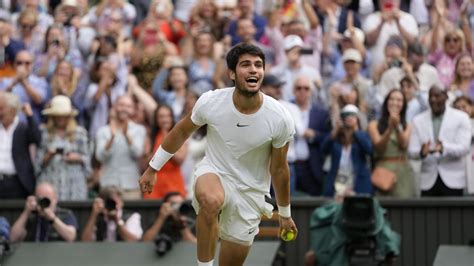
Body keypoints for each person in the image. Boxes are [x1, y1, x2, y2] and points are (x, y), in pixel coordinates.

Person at [139, 43, 297, 266]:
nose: (254, 70)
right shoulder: (211, 102)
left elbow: (279, 169)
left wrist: (285, 214)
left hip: (251, 193)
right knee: (210, 201)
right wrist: (153, 168)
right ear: (232, 73)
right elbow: (180, 132)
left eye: (258, 65)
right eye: (246, 65)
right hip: (215, 172)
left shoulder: (280, 117)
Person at [408, 85, 471, 196]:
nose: (433, 100)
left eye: (437, 96)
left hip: (453, 180)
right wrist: (422, 152)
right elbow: (412, 151)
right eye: (430, 97)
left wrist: (443, 148)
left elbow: (464, 147)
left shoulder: (461, 117)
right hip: (427, 181)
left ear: (446, 97)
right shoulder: (418, 120)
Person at [36, 95, 91, 200]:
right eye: (57, 115)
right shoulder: (43, 133)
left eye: (64, 115)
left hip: (74, 185)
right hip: (51, 180)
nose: (60, 118)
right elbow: (37, 165)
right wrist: (49, 155)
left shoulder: (80, 133)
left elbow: (88, 162)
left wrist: (78, 158)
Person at [95, 95, 146, 200]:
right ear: (115, 107)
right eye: (122, 105)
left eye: (128, 106)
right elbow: (100, 157)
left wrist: (127, 135)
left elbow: (137, 153)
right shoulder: (103, 131)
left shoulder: (139, 130)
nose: (124, 109)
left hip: (131, 186)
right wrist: (112, 138)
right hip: (109, 185)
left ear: (133, 110)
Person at [368, 89, 416, 198]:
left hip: (402, 170)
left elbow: (403, 144)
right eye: (392, 99)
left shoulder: (407, 125)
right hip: (383, 169)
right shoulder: (374, 125)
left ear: (403, 105)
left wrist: (397, 126)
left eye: (399, 100)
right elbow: (379, 147)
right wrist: (389, 128)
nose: (395, 103)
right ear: (386, 102)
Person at [321, 104, 373, 198]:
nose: (349, 118)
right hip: (337, 182)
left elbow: (369, 150)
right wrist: (336, 130)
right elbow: (324, 149)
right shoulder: (335, 139)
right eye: (347, 116)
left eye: (353, 116)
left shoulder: (362, 136)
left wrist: (356, 130)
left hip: (356, 182)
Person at [0, 92, 40, 199]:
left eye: (2, 109)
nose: (0, 113)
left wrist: (30, 116)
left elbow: (36, 138)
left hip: (17, 182)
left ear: (13, 110)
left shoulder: (23, 128)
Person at [10, 182, 78, 242]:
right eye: (40, 199)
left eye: (47, 200)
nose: (43, 204)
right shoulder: (31, 216)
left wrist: (53, 219)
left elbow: (71, 237)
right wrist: (26, 211)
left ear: (55, 199)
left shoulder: (66, 214)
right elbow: (12, 238)